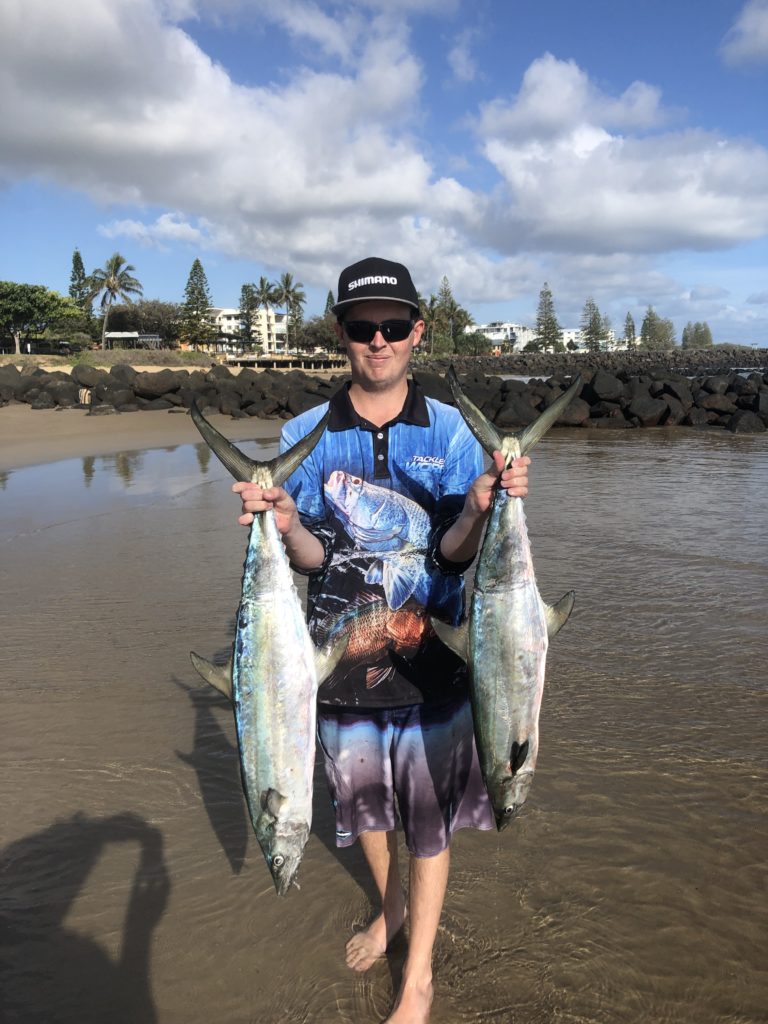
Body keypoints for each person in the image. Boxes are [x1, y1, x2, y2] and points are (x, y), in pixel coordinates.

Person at [234, 257, 530, 1024]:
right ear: (342, 334)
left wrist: (477, 506)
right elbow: (311, 561)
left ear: (416, 332)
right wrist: (287, 524)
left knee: (428, 818)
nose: (378, 341)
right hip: (334, 662)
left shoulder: (456, 431)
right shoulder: (305, 435)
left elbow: (456, 554)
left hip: (435, 660)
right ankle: (390, 908)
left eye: (393, 327)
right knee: (366, 811)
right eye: (363, 328)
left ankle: (419, 974)